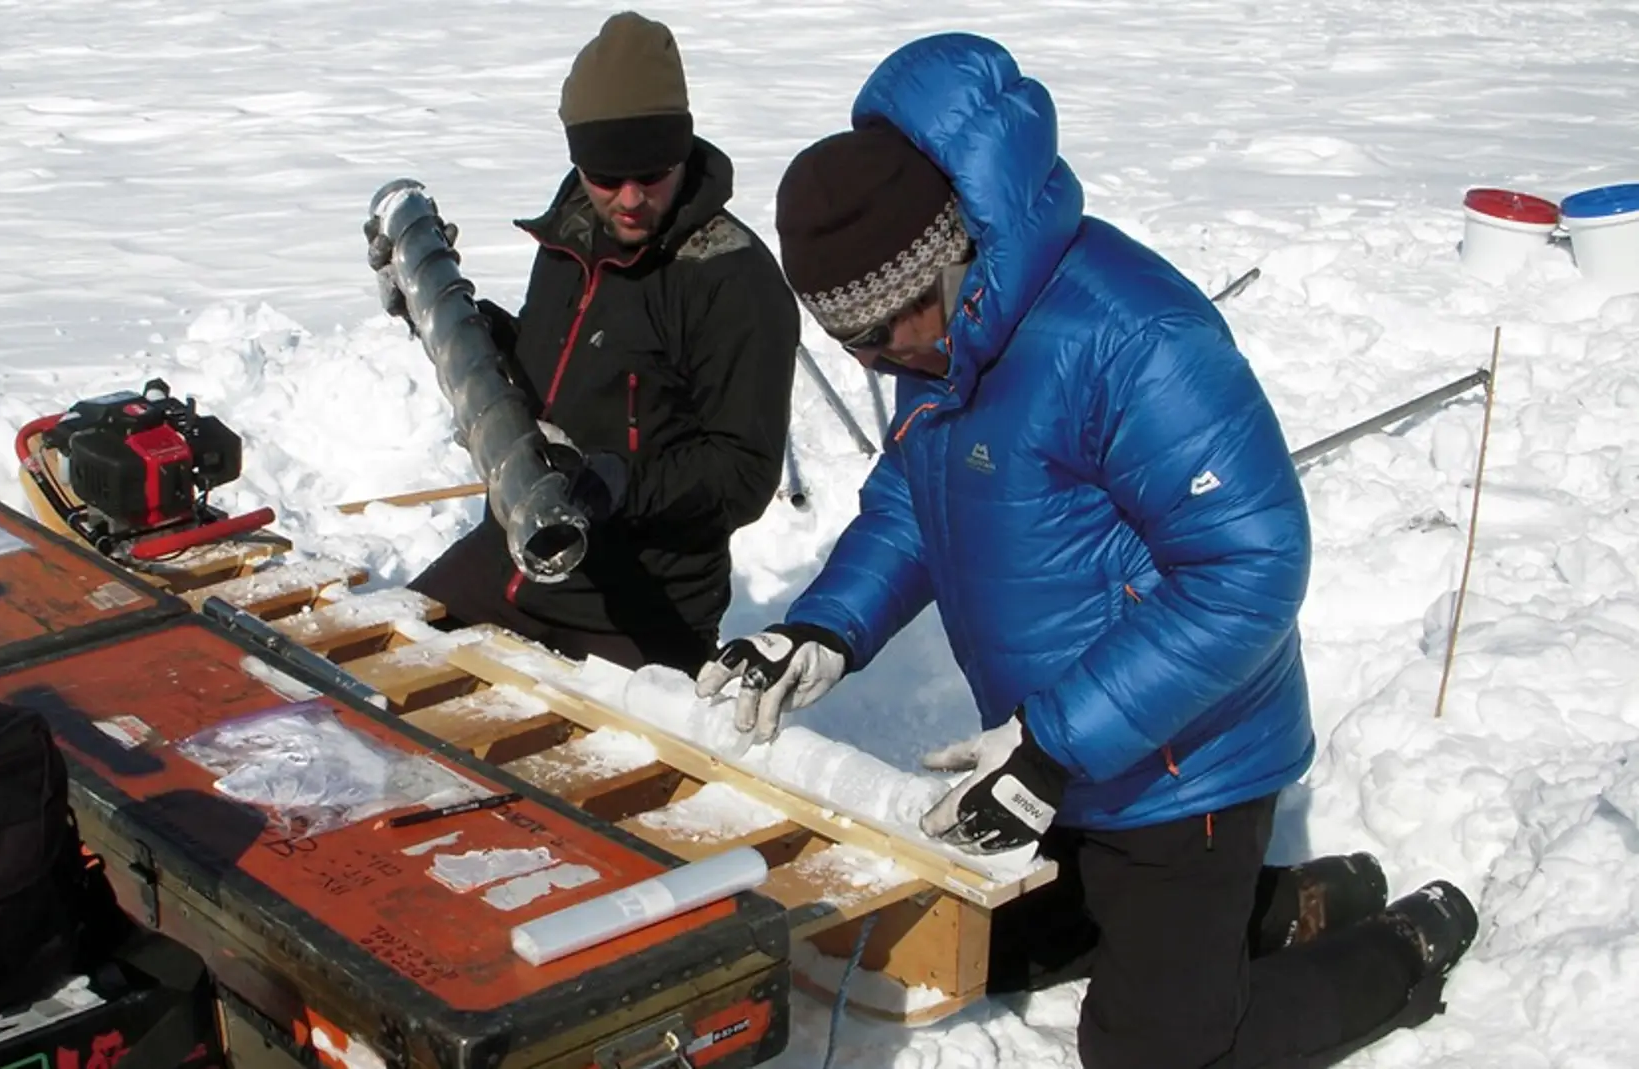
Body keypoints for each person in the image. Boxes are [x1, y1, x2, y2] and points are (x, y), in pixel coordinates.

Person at [694, 32, 1480, 1069]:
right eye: (857, 347)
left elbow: (1250, 568)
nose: (888, 359)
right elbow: (915, 499)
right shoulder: (944, 332)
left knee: (1151, 1052)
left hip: (1180, 762)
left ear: (953, 251)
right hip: (1048, 752)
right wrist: (823, 628)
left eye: (894, 327)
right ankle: (1294, 902)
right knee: (991, 949)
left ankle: (1398, 949)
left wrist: (1056, 739)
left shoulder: (1127, 336)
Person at [404, 11, 800, 675]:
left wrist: (615, 482)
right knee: (364, 674)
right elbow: (550, 373)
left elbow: (744, 474)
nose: (629, 199)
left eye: (652, 173)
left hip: (639, 606)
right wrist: (462, 328)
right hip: (511, 558)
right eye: (605, 175)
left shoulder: (732, 282)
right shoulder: (572, 232)